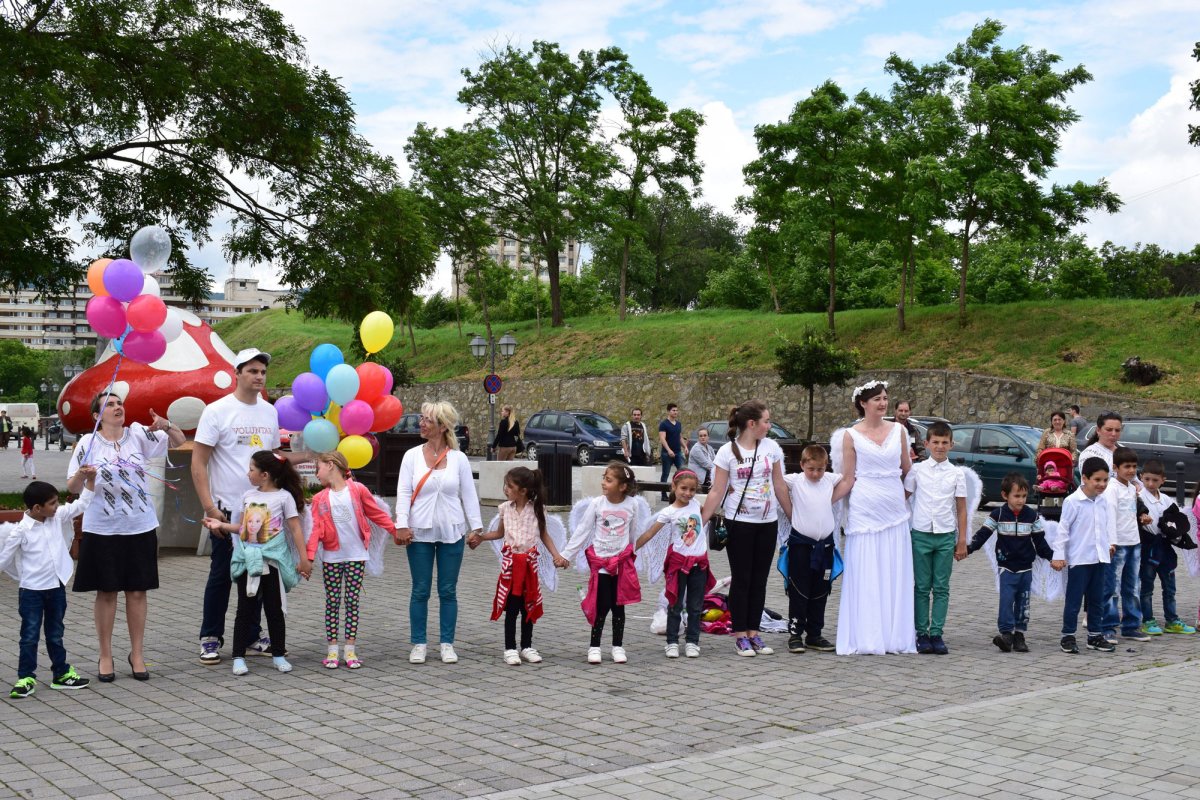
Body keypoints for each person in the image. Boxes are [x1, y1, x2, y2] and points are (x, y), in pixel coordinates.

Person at [70, 391, 184, 682]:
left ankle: (137, 653)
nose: (117, 407)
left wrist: (166, 424)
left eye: (119, 403)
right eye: (109, 404)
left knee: (136, 591)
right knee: (106, 591)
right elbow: (71, 487)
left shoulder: (137, 435)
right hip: (102, 528)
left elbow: (180, 441)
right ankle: (105, 654)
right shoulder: (88, 442)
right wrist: (84, 476)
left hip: (139, 525)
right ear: (97, 416)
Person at [193, 349, 296, 665]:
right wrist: (210, 508)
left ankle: (251, 636)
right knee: (223, 575)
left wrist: (314, 456)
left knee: (258, 576)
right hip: (227, 511)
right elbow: (198, 463)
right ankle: (210, 637)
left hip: (262, 513)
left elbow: (274, 459)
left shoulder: (269, 412)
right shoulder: (217, 411)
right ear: (237, 373)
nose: (259, 377)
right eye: (252, 371)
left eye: (263, 372)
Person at [202, 451, 312, 676]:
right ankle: (238, 657)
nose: (248, 473)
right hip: (248, 561)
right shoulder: (247, 496)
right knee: (245, 609)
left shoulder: (284, 498)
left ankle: (278, 654)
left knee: (275, 610)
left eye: (251, 469)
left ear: (265, 475)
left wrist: (304, 559)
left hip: (272, 562)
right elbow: (242, 528)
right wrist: (219, 525)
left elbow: (295, 529)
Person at [700, 400, 792, 657]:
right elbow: (717, 489)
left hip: (767, 522)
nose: (769, 425)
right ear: (752, 424)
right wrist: (701, 521)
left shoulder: (771, 448)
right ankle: (740, 633)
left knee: (760, 580)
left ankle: (755, 631)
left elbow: (779, 485)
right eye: (766, 421)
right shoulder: (727, 452)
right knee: (742, 579)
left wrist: (793, 516)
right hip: (738, 522)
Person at [394, 401, 482, 665]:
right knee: (420, 589)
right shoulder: (411, 456)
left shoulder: (459, 458)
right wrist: (401, 523)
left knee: (448, 590)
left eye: (427, 420)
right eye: (421, 418)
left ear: (442, 426)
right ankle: (419, 643)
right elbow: (403, 492)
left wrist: (476, 527)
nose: (421, 423)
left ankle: (447, 643)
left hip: (451, 531)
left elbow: (469, 494)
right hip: (419, 531)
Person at [834, 380, 916, 656]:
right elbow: (847, 478)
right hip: (864, 509)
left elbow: (908, 470)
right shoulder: (850, 435)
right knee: (867, 570)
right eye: (877, 399)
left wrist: (901, 497)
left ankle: (895, 635)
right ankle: (868, 635)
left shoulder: (899, 431)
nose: (883, 403)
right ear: (863, 404)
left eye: (885, 398)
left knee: (894, 569)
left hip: (893, 511)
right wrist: (823, 501)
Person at [0, 474, 97, 698]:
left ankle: (61, 674)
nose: (57, 506)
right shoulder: (20, 531)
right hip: (31, 592)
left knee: (55, 633)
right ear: (37, 508)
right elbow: (4, 560)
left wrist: (90, 479)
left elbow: (82, 503)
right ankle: (25, 677)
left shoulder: (58, 517)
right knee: (30, 635)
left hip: (56, 588)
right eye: (52, 503)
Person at [306, 451, 396, 670]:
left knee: (352, 601)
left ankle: (350, 650)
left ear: (331, 465)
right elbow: (314, 530)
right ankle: (332, 650)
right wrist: (308, 558)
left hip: (356, 556)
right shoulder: (319, 499)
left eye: (318, 468)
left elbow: (376, 513)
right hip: (331, 558)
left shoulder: (357, 490)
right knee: (333, 602)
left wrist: (395, 530)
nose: (316, 474)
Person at [469, 466, 565, 665]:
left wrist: (557, 556)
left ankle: (527, 646)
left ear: (523, 490)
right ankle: (510, 648)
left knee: (528, 604)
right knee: (511, 607)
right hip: (511, 566)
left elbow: (544, 535)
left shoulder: (537, 509)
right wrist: (481, 538)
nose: (505, 489)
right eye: (505, 485)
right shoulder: (505, 509)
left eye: (510, 486)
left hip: (530, 566)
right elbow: (499, 533)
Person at [559, 462, 644, 664]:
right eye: (603, 478)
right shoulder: (598, 504)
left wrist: (631, 554)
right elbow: (583, 530)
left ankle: (617, 646)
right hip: (601, 564)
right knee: (601, 605)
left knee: (619, 606)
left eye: (608, 479)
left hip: (621, 564)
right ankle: (594, 646)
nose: (603, 483)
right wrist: (566, 555)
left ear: (622, 486)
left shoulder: (632, 504)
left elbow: (633, 534)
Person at [965, 473, 1054, 653]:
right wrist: (967, 549)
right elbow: (983, 534)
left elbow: (1040, 542)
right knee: (1006, 601)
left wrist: (1054, 557)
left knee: (1023, 602)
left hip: (1025, 568)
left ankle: (1019, 635)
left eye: (1023, 496)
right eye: (1016, 496)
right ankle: (1006, 634)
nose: (1021, 500)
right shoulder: (997, 515)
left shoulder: (1032, 516)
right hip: (1006, 567)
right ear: (1005, 496)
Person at [902, 421, 968, 655]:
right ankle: (921, 633)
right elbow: (903, 498)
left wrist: (962, 540)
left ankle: (937, 633)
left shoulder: (957, 473)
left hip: (945, 535)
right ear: (927, 444)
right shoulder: (917, 470)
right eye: (936, 442)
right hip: (920, 533)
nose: (940, 447)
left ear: (951, 445)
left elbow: (961, 508)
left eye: (944, 443)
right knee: (921, 586)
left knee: (941, 587)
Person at [635, 470, 713, 659]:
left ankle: (693, 641)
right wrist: (631, 549)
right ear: (674, 487)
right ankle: (672, 642)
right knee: (675, 604)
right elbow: (650, 533)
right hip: (678, 565)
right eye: (683, 488)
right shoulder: (669, 512)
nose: (688, 493)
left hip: (699, 564)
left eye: (692, 489)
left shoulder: (696, 504)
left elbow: (707, 515)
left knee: (695, 605)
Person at [780, 445, 851, 654]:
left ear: (825, 467)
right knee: (799, 589)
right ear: (802, 465)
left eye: (820, 469)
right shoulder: (795, 480)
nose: (815, 473)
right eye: (811, 469)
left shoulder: (829, 480)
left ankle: (814, 634)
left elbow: (848, 479)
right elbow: (775, 481)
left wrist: (833, 498)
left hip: (825, 546)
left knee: (821, 590)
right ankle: (795, 634)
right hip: (801, 545)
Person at [1051, 457, 1118, 654]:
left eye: (1105, 480)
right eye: (1097, 480)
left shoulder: (1104, 501)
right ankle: (1068, 635)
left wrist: (1109, 544)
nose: (1102, 484)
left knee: (1097, 599)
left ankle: (1095, 635)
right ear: (1085, 478)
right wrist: (1058, 555)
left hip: (1099, 558)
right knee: (1074, 600)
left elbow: (1106, 525)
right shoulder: (1073, 501)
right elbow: (1063, 530)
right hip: (1079, 558)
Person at [1137, 460, 1196, 636]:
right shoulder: (1139, 498)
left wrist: (1174, 530)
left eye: (1155, 480)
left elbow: (1176, 520)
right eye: (1147, 479)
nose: (1150, 484)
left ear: (1163, 480)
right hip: (1148, 548)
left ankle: (1172, 620)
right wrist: (1141, 518)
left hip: (1165, 549)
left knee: (1170, 587)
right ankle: (1147, 620)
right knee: (1147, 587)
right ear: (1141, 478)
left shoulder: (1166, 500)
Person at [1101, 447, 1148, 644]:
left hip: (1134, 542)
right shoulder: (1111, 489)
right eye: (1126, 466)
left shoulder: (1131, 488)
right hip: (1118, 544)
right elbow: (1109, 517)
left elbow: (1133, 511)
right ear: (1115, 467)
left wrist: (1143, 515)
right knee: (1112, 587)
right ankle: (1108, 626)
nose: (1130, 471)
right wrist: (1111, 542)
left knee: (1133, 587)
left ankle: (1131, 625)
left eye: (1134, 467)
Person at [658, 404, 688, 500]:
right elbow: (662, 438)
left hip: (678, 452)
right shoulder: (664, 424)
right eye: (673, 410)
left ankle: (680, 493)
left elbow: (679, 437)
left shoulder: (678, 424)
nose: (675, 412)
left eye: (676, 410)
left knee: (682, 472)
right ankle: (663, 495)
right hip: (667, 453)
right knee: (665, 473)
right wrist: (668, 450)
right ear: (668, 411)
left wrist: (685, 447)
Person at [1078, 411, 1122, 475]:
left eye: (1117, 430)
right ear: (1098, 430)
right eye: (1109, 430)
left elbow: (1134, 478)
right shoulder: (1089, 454)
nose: (1113, 434)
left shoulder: (1123, 450)